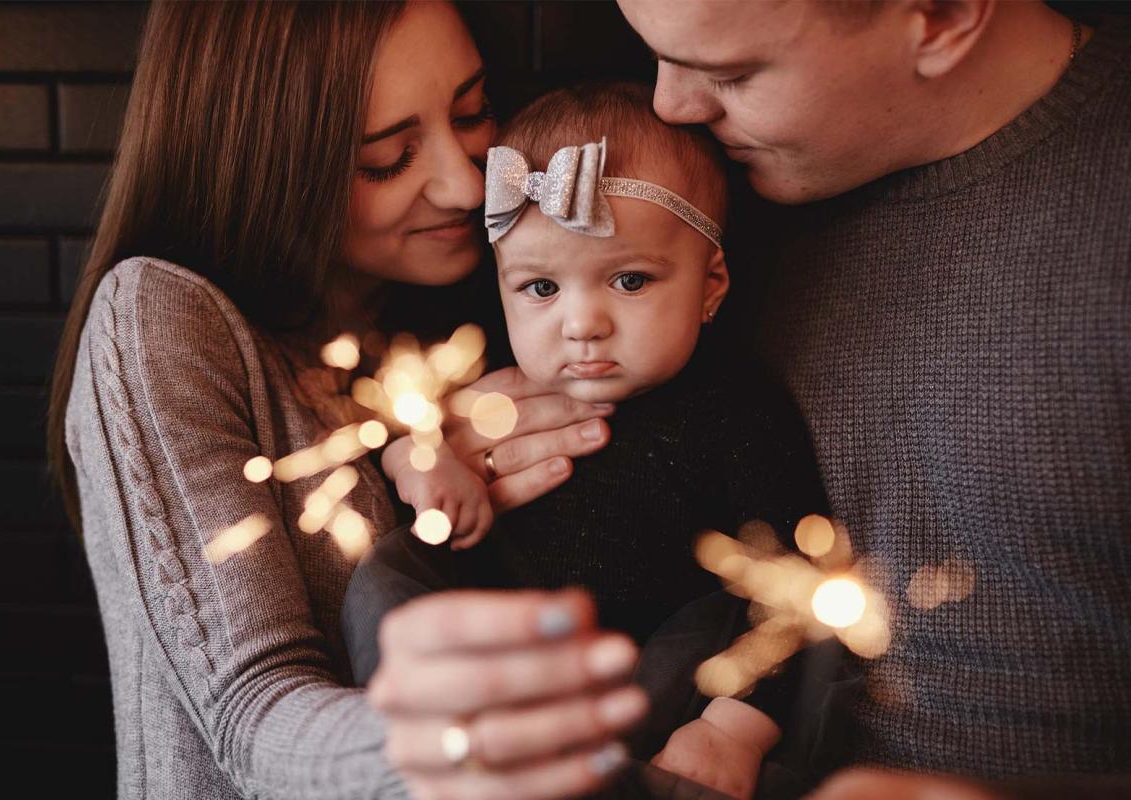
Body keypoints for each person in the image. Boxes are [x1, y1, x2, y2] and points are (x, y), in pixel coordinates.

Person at [370, 1, 1130, 799]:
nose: (671, 107)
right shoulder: (720, 175)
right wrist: (445, 449)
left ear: (939, 16)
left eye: (730, 71)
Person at [46, 2, 638, 798]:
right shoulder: (161, 316)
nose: (468, 183)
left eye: (472, 113)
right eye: (389, 159)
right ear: (263, 160)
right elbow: (250, 718)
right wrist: (446, 746)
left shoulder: (484, 310)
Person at [346, 82, 831, 799]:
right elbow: (396, 417)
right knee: (389, 568)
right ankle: (413, 735)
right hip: (494, 650)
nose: (581, 323)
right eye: (540, 288)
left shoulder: (738, 410)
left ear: (710, 285)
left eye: (629, 280)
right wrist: (422, 456)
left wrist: (734, 727)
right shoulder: (480, 376)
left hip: (660, 674)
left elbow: (795, 584)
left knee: (727, 639)